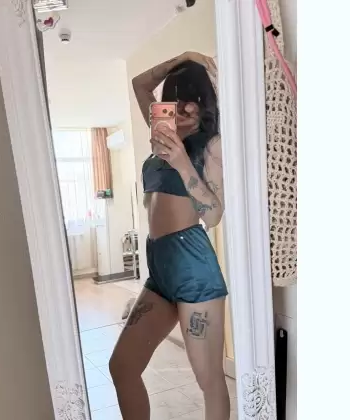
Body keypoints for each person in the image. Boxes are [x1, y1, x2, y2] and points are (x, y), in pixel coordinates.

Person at [109, 51, 230, 420]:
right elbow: (139, 83)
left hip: (194, 269)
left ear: (204, 104)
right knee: (122, 366)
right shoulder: (160, 135)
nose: (182, 109)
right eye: (175, 100)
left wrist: (181, 162)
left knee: (209, 380)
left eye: (191, 101)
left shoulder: (211, 145)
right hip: (160, 269)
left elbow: (214, 215)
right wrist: (183, 58)